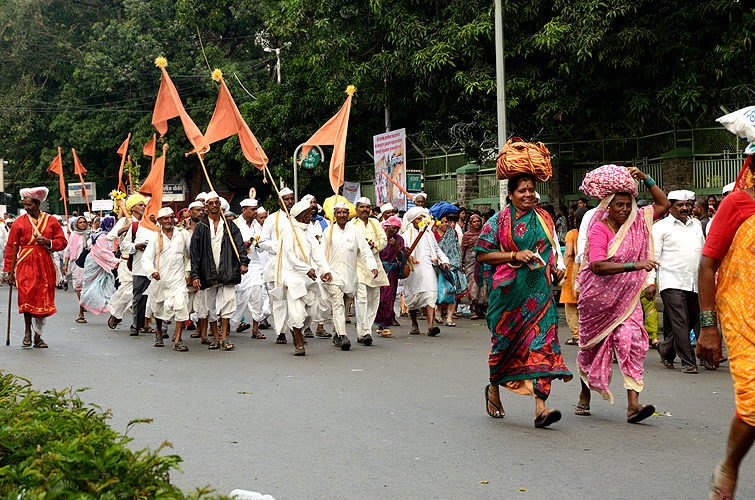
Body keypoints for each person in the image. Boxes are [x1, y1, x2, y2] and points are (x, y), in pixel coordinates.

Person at [576, 165, 670, 423]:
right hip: (596, 301)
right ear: (608, 206)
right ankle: (585, 395)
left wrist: (646, 178)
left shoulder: (637, 221)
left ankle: (633, 405)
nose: (624, 210)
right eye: (619, 205)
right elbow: (596, 266)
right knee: (590, 349)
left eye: (628, 204)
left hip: (627, 301)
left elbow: (663, 204)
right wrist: (635, 265)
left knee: (632, 341)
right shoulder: (599, 229)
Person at [476, 173, 571, 427]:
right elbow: (482, 254)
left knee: (542, 344)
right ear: (510, 194)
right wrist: (514, 255)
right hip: (508, 295)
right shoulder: (498, 222)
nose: (528, 194)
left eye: (531, 189)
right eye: (522, 191)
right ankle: (495, 386)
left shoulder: (544, 217)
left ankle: (541, 408)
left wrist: (555, 269)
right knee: (503, 346)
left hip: (540, 294)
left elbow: (549, 250)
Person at [697, 160, 755, 500]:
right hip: (743, 317)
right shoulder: (737, 204)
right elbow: (707, 265)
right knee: (753, 402)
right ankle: (731, 464)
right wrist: (708, 327)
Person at [4, 187, 68, 348]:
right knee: (26, 297)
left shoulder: (51, 221)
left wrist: (49, 242)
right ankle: (27, 332)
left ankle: (38, 336)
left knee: (42, 299)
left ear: (38, 204)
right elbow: (11, 247)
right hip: (25, 263)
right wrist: (9, 272)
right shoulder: (19, 222)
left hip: (44, 264)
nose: (26, 208)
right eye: (24, 204)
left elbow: (63, 242)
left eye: (29, 205)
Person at [651, 190, 704, 374]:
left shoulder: (696, 224)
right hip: (671, 280)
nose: (685, 208)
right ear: (671, 206)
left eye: (688, 204)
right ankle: (688, 361)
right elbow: (654, 255)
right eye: (680, 205)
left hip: (694, 281)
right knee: (681, 321)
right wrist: (650, 281)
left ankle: (665, 349)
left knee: (690, 319)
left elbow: (703, 252)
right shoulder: (660, 227)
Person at [190, 191, 249, 351]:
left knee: (228, 302)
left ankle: (224, 337)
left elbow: (239, 245)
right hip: (207, 272)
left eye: (217, 202)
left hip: (228, 270)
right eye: (211, 203)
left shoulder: (230, 226)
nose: (215, 205)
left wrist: (243, 262)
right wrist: (194, 275)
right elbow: (194, 253)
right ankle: (215, 337)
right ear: (206, 206)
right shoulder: (201, 227)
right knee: (210, 306)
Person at [275, 199, 332, 355]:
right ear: (301, 216)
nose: (310, 216)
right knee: (297, 313)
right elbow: (290, 256)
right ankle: (299, 344)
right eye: (308, 214)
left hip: (308, 279)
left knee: (310, 314)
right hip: (293, 278)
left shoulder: (308, 231)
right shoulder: (288, 231)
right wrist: (307, 269)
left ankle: (296, 328)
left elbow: (317, 252)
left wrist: (325, 270)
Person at [322, 202, 377, 350]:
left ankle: (336, 333)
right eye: (338, 213)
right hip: (333, 275)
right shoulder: (328, 231)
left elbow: (365, 250)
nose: (341, 215)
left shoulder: (354, 230)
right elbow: (321, 255)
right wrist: (323, 271)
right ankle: (343, 335)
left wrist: (372, 265)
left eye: (344, 212)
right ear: (334, 214)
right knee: (338, 303)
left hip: (350, 275)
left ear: (348, 214)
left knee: (345, 304)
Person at [143, 208, 192, 351]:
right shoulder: (154, 237)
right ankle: (159, 334)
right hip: (160, 279)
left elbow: (191, 254)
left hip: (179, 279)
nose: (169, 221)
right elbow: (146, 259)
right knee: (158, 308)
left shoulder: (183, 235)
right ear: (159, 221)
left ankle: (177, 341)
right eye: (165, 218)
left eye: (171, 218)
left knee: (181, 306)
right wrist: (152, 272)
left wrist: (190, 273)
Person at [401, 207, 449, 336]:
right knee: (412, 298)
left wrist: (444, 260)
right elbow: (401, 255)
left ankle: (430, 326)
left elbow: (437, 249)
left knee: (431, 294)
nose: (421, 221)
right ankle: (414, 324)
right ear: (412, 221)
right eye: (418, 219)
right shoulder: (405, 236)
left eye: (423, 218)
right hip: (413, 270)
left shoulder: (429, 234)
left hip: (428, 268)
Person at [258, 187, 295, 344]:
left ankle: (297, 328)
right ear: (280, 201)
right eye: (286, 199)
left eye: (291, 198)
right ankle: (281, 331)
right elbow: (262, 241)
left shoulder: (298, 217)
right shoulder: (271, 219)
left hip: (295, 265)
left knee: (296, 299)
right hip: (276, 263)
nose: (289, 202)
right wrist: (280, 247)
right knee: (278, 300)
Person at [351, 197, 389, 345]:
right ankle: (365, 331)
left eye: (367, 207)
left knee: (374, 300)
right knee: (361, 299)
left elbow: (383, 240)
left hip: (375, 266)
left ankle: (364, 331)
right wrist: (362, 248)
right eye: (362, 207)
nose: (365, 210)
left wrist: (373, 246)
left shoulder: (375, 223)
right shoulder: (352, 225)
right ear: (356, 209)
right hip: (358, 265)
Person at [231, 198, 270, 339]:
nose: (255, 212)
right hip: (238, 266)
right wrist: (242, 246)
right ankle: (227, 324)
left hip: (254, 265)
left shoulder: (258, 226)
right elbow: (229, 245)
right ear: (244, 210)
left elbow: (262, 246)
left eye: (256, 209)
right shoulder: (234, 225)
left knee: (256, 296)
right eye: (252, 210)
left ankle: (255, 329)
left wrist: (257, 244)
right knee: (237, 298)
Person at [106, 193, 145, 330]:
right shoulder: (124, 221)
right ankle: (116, 314)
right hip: (127, 262)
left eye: (143, 205)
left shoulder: (146, 221)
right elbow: (110, 237)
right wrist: (125, 229)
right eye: (140, 205)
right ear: (132, 208)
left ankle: (143, 323)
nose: (143, 207)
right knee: (128, 292)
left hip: (143, 262)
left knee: (145, 293)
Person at [120, 196, 158, 337]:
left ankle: (162, 329)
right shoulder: (137, 227)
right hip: (140, 269)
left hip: (159, 269)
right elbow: (124, 245)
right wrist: (136, 246)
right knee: (139, 298)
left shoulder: (162, 227)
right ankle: (137, 325)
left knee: (160, 298)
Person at [79, 216, 120, 316]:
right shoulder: (101, 236)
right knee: (87, 287)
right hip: (94, 263)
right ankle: (81, 312)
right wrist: (115, 261)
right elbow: (102, 252)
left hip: (102, 264)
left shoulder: (107, 235)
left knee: (106, 285)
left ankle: (111, 311)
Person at [560, 207, 587, 346]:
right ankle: (586, 335)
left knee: (570, 305)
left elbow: (568, 252)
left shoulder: (572, 234)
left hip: (572, 273)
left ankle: (576, 336)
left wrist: (562, 268)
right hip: (588, 272)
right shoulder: (592, 232)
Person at [434, 214, 467, 326]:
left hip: (452, 265)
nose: (445, 224)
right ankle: (437, 312)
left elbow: (456, 248)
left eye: (446, 222)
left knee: (452, 292)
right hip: (438, 267)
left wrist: (457, 262)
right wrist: (439, 260)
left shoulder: (453, 233)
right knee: (439, 291)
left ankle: (449, 318)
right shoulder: (432, 234)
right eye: (442, 222)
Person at [375, 215, 405, 337]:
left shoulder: (399, 240)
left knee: (389, 298)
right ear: (387, 227)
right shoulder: (379, 237)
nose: (395, 231)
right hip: (379, 270)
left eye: (397, 229)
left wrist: (396, 247)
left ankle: (386, 325)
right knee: (379, 298)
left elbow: (401, 257)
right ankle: (378, 322)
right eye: (393, 228)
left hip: (392, 272)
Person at [63, 215, 91, 323]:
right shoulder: (73, 236)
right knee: (79, 286)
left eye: (84, 222)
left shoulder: (91, 235)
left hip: (89, 264)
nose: (83, 224)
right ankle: (81, 311)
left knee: (87, 286)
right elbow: (68, 250)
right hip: (76, 264)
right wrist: (65, 264)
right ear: (76, 225)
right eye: (80, 222)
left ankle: (84, 304)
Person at [460, 214, 487, 320]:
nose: (477, 223)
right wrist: (461, 262)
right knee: (473, 285)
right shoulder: (467, 235)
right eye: (474, 222)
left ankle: (481, 309)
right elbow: (463, 249)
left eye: (478, 221)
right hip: (470, 262)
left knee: (484, 285)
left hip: (483, 261)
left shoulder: (485, 233)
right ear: (470, 223)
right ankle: (473, 309)